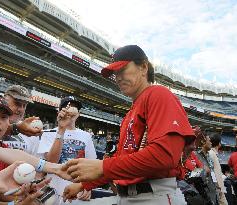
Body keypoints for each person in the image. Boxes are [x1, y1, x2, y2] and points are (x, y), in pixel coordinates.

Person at [62, 45, 195, 205]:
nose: (117, 77)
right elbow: (122, 163)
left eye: (122, 69)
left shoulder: (158, 94)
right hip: (128, 196)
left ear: (144, 67)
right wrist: (84, 184)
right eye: (115, 73)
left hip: (154, 195)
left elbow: (164, 156)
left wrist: (103, 166)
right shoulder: (131, 112)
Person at [37, 96, 97, 205]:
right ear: (60, 112)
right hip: (52, 190)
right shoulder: (49, 133)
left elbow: (92, 166)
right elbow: (51, 162)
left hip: (77, 193)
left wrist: (88, 187)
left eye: (75, 107)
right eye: (67, 107)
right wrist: (61, 130)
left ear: (78, 114)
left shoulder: (86, 136)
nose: (71, 109)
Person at [195, 130, 218, 205]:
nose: (211, 143)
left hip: (213, 190)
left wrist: (216, 184)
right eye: (209, 141)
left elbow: (212, 171)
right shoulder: (195, 155)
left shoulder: (210, 156)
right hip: (203, 192)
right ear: (203, 141)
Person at [209, 132, 228, 205]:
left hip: (218, 187)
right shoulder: (211, 154)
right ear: (219, 143)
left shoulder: (212, 153)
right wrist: (217, 186)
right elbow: (212, 172)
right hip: (217, 188)